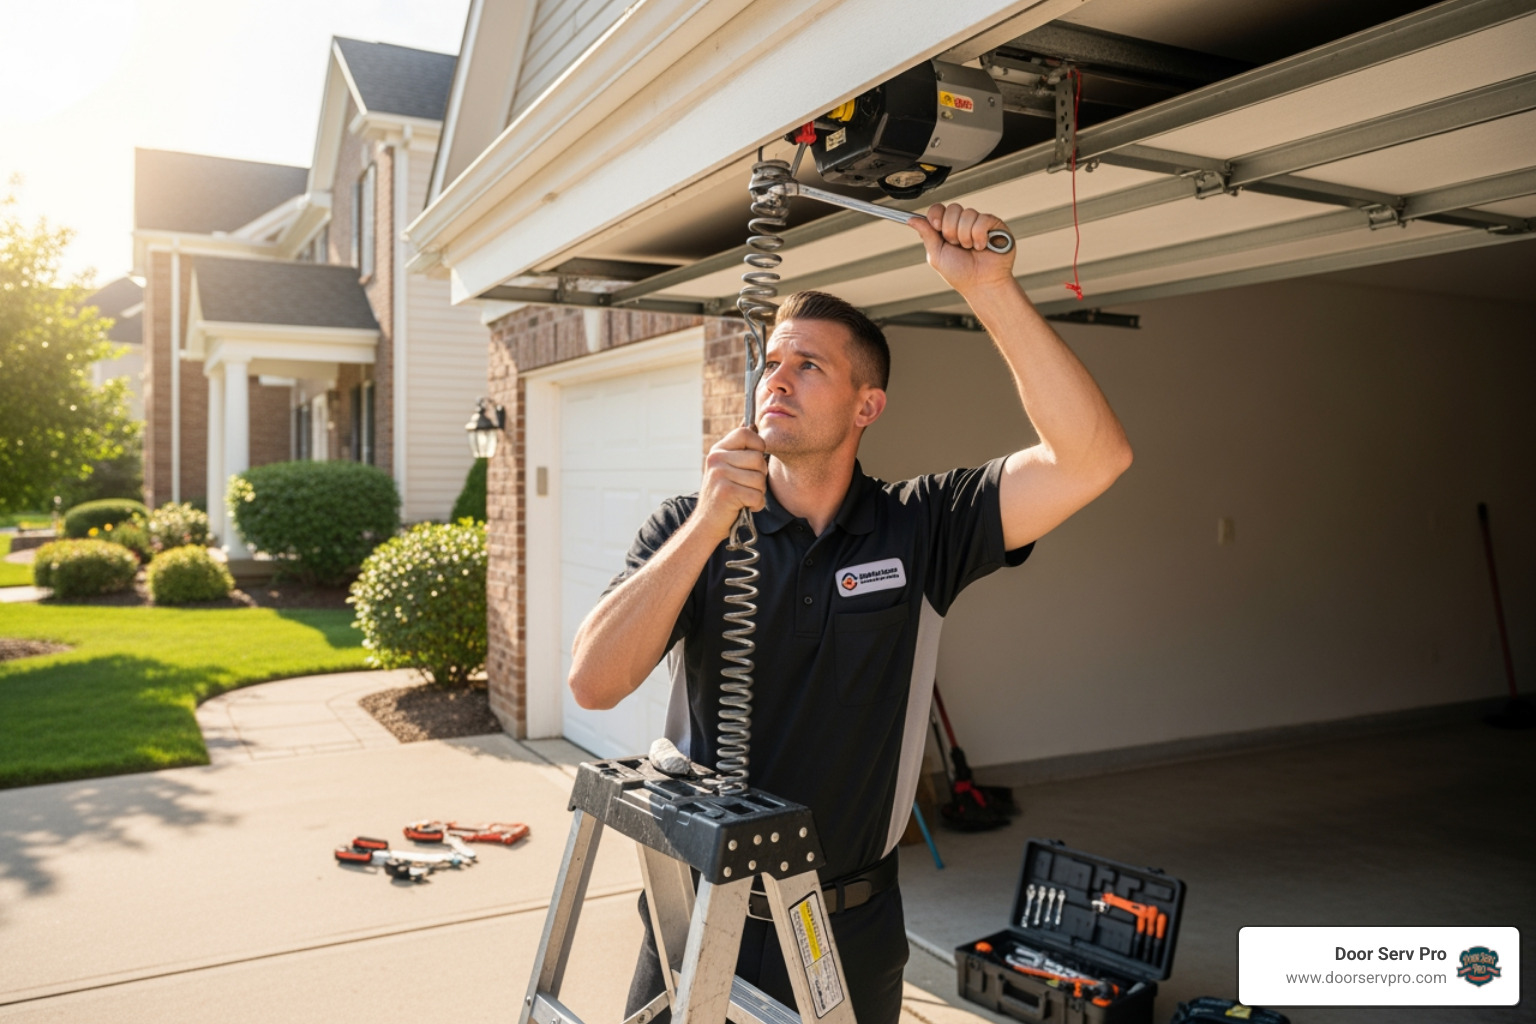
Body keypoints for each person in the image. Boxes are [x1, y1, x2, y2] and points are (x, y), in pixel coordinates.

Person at [568, 203, 1133, 1024]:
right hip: (696, 909)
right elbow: (592, 684)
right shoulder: (688, 527)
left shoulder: (922, 524)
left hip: (846, 926)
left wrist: (989, 289)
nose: (776, 380)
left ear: (867, 407)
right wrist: (708, 526)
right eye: (771, 363)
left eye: (809, 366)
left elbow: (1093, 458)